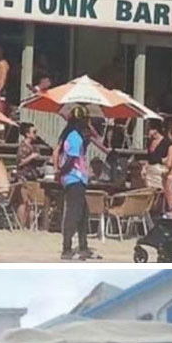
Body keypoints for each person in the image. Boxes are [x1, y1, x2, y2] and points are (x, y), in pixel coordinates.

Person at [58, 106, 98, 261]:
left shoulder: (74, 135)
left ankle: (83, 246)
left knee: (83, 213)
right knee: (73, 214)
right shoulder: (74, 136)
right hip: (74, 178)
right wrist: (62, 172)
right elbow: (71, 159)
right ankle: (66, 248)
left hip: (77, 178)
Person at [144, 120, 172, 191]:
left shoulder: (166, 142)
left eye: (150, 129)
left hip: (159, 169)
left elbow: (168, 156)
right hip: (150, 169)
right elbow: (149, 157)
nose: (149, 131)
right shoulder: (150, 142)